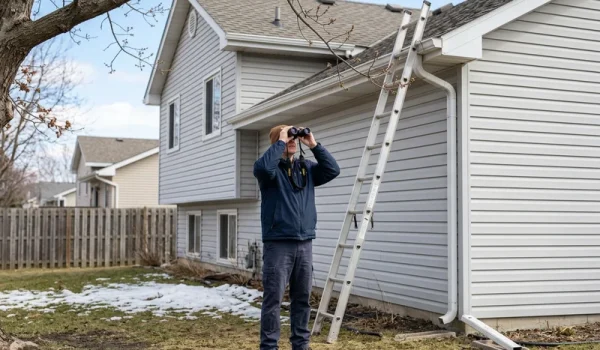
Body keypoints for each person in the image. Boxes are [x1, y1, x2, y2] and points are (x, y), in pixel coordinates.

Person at [254, 125, 340, 350]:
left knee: (302, 299)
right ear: (277, 142)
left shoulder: (307, 168)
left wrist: (313, 144)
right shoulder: (269, 170)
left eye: (294, 138)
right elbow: (263, 169)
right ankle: (269, 347)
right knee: (273, 300)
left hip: (304, 243)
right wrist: (281, 141)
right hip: (278, 243)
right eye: (287, 137)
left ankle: (301, 345)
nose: (293, 140)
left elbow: (332, 170)